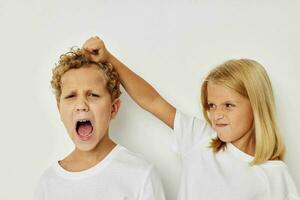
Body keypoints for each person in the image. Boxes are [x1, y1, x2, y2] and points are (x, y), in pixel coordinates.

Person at [82, 36, 300, 200]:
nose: (217, 115)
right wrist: (109, 59)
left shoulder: (276, 175)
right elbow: (152, 101)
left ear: (256, 106)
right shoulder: (200, 139)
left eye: (229, 105)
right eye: (212, 105)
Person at [34, 47, 166, 200]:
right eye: (71, 96)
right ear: (59, 110)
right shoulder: (48, 184)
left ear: (113, 108)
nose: (81, 105)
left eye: (93, 95)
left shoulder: (140, 175)